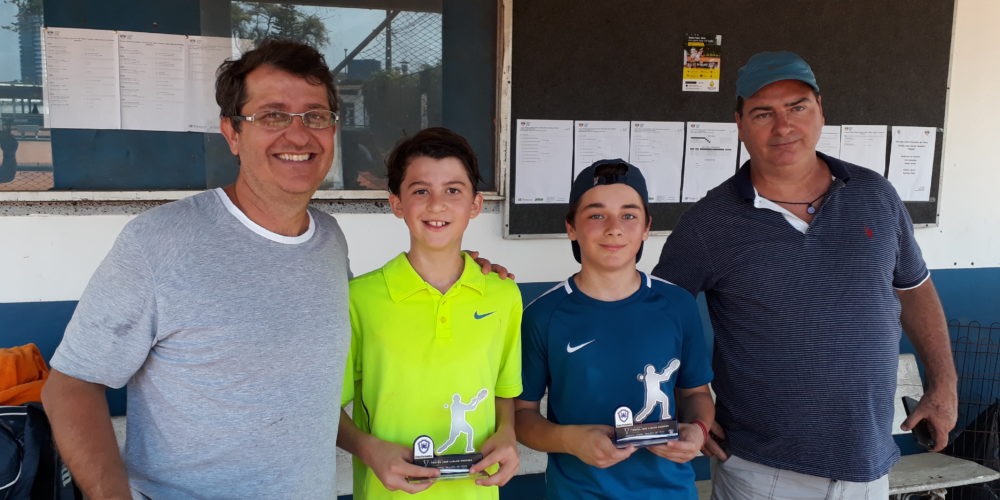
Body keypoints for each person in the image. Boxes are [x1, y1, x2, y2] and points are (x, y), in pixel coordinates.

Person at [39, 41, 503, 499]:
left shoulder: (328, 240)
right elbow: (71, 386)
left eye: (315, 116)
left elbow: (314, 396)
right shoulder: (160, 242)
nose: (298, 136)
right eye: (273, 116)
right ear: (232, 132)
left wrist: (459, 268)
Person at [653, 51, 958, 499]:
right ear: (739, 124)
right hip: (762, 471)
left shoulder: (875, 195)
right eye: (763, 113)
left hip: (869, 467)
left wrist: (943, 384)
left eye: (797, 107)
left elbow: (914, 289)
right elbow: (658, 318)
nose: (784, 126)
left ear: (820, 112)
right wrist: (690, 401)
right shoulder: (708, 223)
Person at [337, 127, 521, 499]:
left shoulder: (503, 295)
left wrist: (507, 433)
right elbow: (324, 407)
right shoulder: (359, 299)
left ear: (475, 205)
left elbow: (504, 390)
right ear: (397, 204)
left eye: (453, 190)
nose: (437, 205)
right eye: (421, 191)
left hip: (476, 492)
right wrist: (368, 449)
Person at [515, 159, 714, 499]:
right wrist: (570, 440)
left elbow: (696, 394)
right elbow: (522, 416)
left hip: (669, 491)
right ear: (571, 227)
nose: (614, 228)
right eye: (596, 215)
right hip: (578, 492)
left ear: (647, 227)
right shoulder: (542, 315)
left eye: (629, 215)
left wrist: (698, 430)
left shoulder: (678, 305)